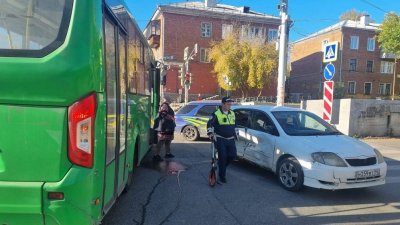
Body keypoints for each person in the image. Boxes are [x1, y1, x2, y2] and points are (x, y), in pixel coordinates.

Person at [207, 96, 237, 183]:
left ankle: (221, 165)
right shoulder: (216, 113)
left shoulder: (232, 113)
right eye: (228, 104)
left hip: (231, 139)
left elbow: (235, 125)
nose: (229, 106)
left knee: (232, 156)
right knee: (223, 157)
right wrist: (210, 133)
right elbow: (210, 124)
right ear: (223, 104)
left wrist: (236, 134)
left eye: (230, 104)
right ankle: (222, 176)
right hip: (220, 139)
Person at [153, 96, 176, 162]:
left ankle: (167, 153)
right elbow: (163, 114)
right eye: (170, 99)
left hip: (167, 127)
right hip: (164, 127)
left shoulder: (166, 105)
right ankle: (156, 155)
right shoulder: (164, 105)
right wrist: (171, 118)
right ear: (167, 100)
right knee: (161, 141)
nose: (171, 100)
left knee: (167, 141)